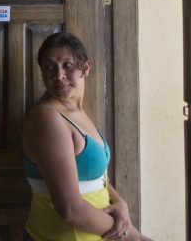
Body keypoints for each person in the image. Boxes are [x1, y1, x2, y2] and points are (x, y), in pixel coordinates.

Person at [22, 32, 151, 241]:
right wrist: (134, 236)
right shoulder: (47, 119)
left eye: (68, 65)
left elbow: (94, 175)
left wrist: (120, 202)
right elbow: (70, 209)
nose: (59, 75)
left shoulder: (75, 113)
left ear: (86, 67)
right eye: (49, 67)